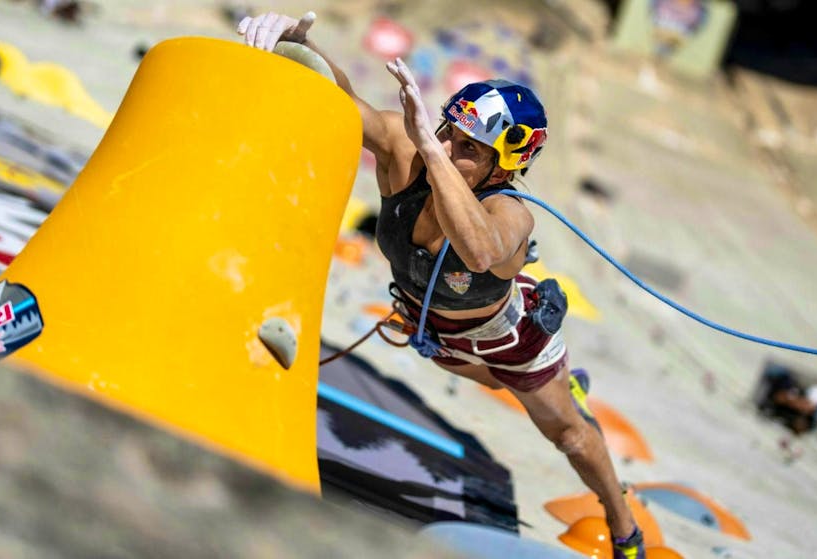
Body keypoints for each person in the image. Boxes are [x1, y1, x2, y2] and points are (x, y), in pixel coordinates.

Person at [237, 12, 644, 558]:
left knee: (567, 433)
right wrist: (300, 42)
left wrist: (431, 147)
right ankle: (538, 382)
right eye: (450, 131)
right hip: (438, 337)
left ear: (503, 168)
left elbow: (478, 249)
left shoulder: (510, 214)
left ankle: (624, 526)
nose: (450, 148)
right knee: (480, 377)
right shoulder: (409, 154)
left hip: (508, 338)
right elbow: (343, 104)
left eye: (470, 148)